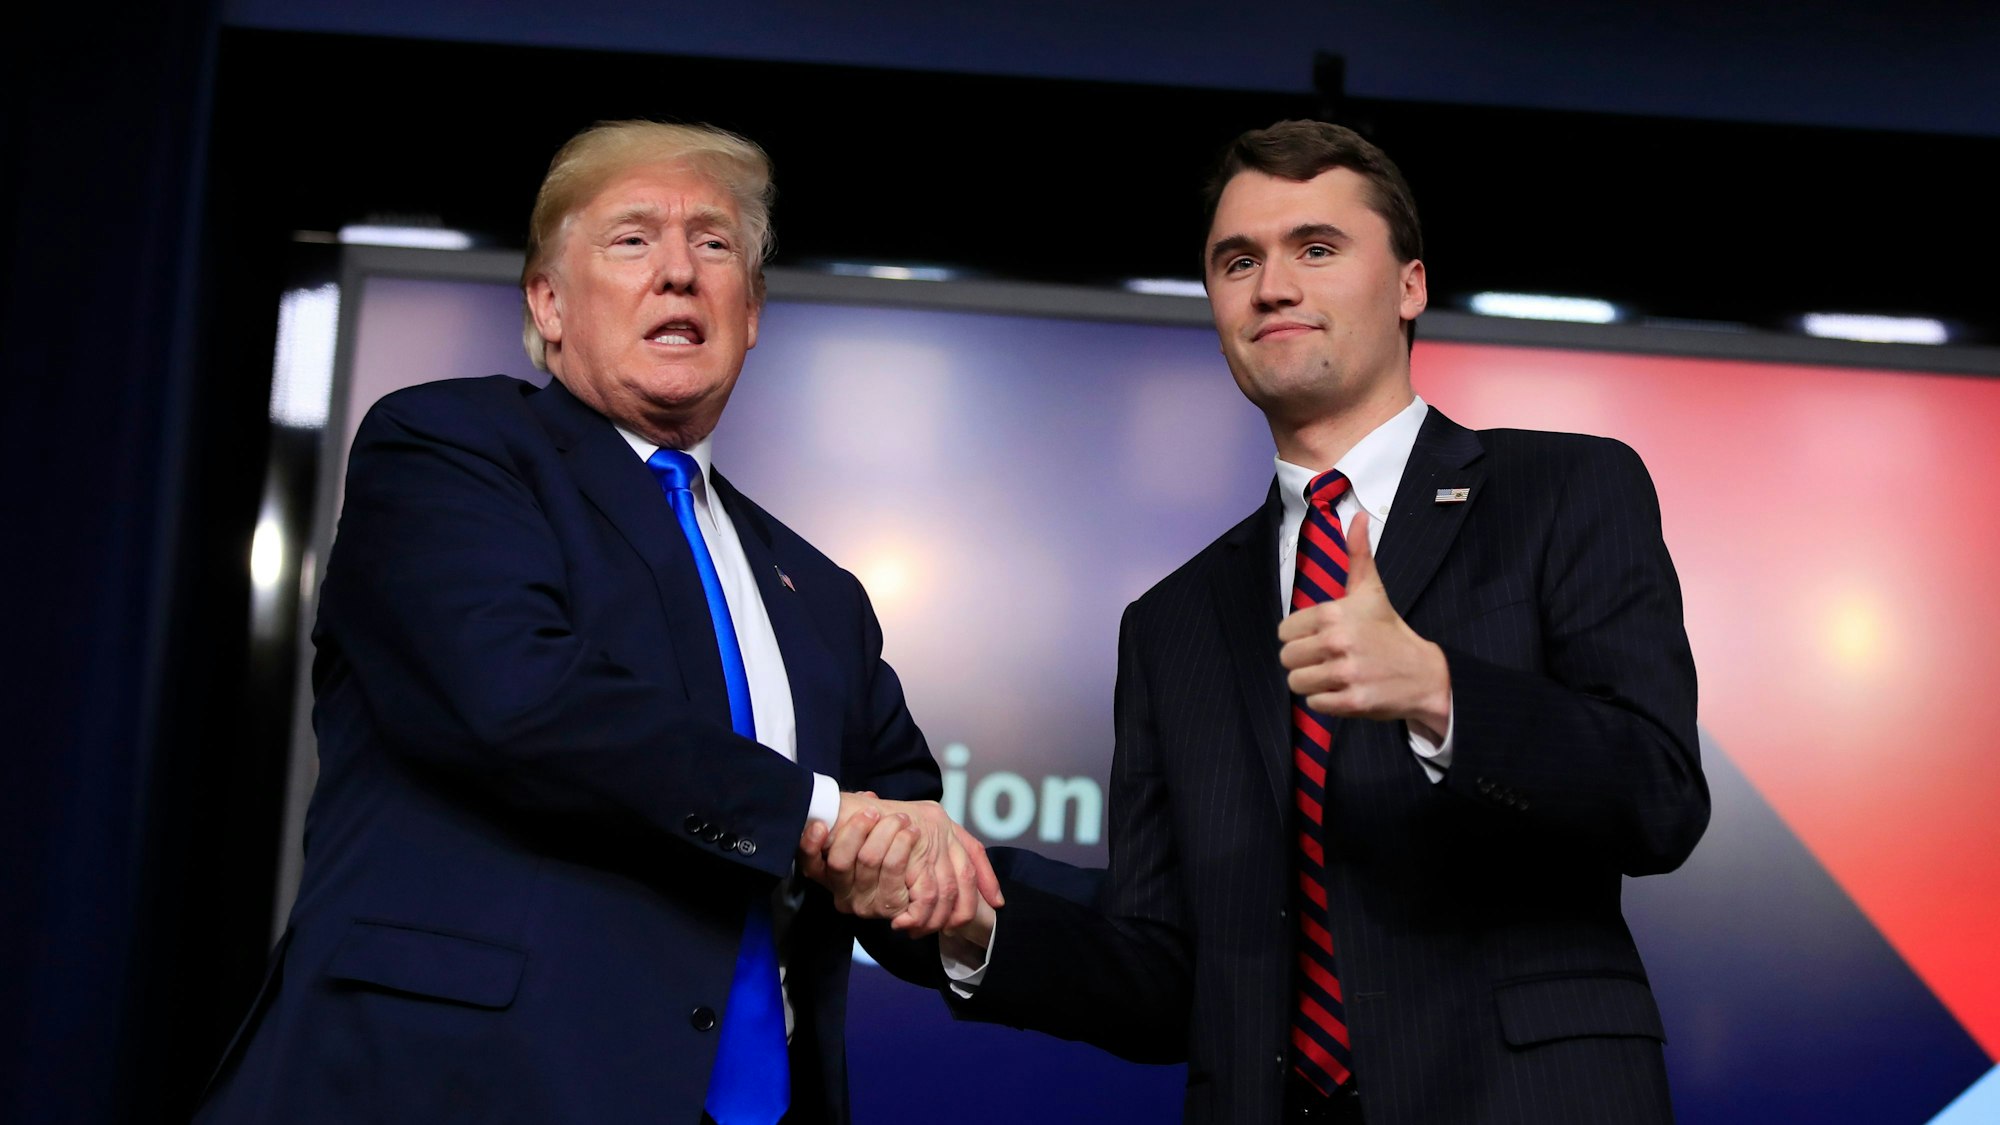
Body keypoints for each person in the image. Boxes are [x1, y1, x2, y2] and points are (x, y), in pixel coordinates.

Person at [827, 120, 1710, 1124]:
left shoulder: (1561, 488)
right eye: (1236, 261)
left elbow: (1658, 795)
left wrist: (1437, 692)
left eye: (1316, 249)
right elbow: (1162, 971)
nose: (1273, 286)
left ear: (1409, 285)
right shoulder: (1171, 625)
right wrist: (964, 921)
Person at [193, 120, 998, 1125]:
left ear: (750, 314)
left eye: (713, 245)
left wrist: (1191, 951)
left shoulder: (819, 593)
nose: (677, 273)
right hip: (452, 1092)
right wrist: (815, 816)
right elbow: (518, 701)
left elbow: (908, 827)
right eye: (630, 240)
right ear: (547, 303)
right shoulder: (449, 448)